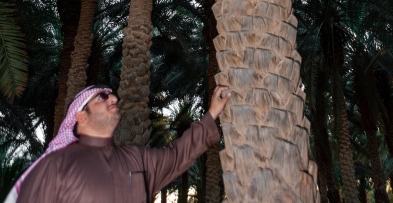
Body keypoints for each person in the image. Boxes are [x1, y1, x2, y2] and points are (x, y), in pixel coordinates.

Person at [7, 84, 230, 203]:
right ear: (81, 117)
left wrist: (212, 113)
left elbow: (177, 155)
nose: (113, 98)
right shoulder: (55, 166)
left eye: (112, 96)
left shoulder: (136, 158)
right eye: (102, 97)